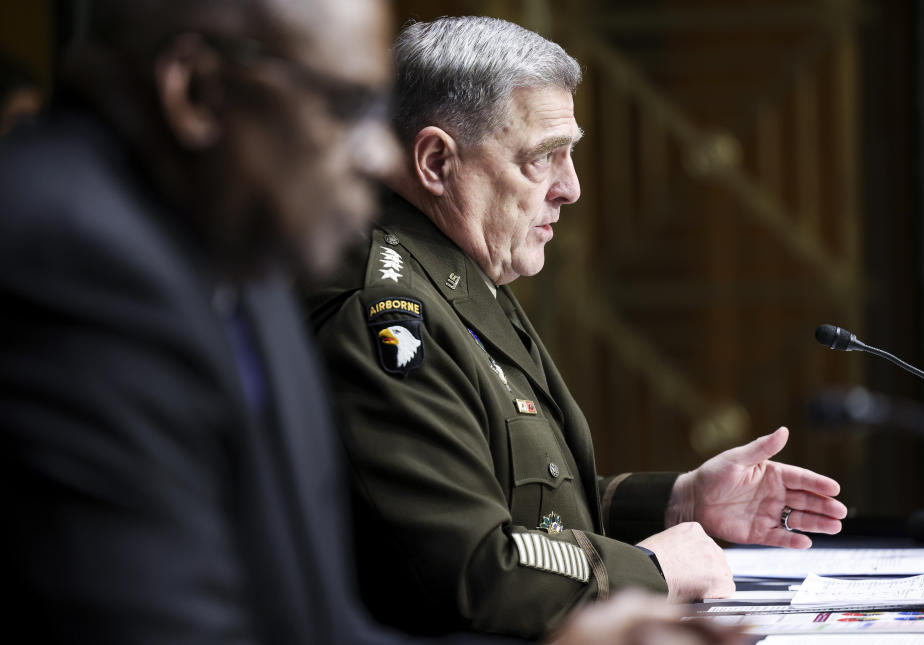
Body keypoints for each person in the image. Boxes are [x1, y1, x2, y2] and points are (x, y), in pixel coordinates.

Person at [0, 1, 741, 643]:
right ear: (198, 91)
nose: (378, 152)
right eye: (349, 105)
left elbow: (318, 625)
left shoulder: (240, 270)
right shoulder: (74, 263)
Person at [303, 15, 848, 640]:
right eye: (544, 157)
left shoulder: (457, 270)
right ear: (435, 161)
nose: (572, 188)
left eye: (572, 153)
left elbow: (529, 505)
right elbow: (471, 567)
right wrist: (650, 569)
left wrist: (680, 501)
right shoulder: (389, 312)